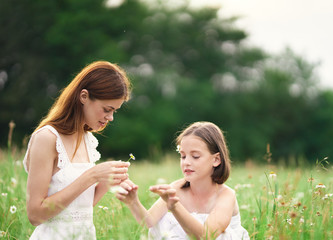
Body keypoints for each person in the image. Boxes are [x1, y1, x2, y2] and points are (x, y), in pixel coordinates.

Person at [23, 61, 132, 240]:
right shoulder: (47, 138)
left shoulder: (88, 140)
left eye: (115, 111)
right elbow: (35, 215)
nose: (110, 117)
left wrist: (106, 182)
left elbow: (80, 209)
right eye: (107, 109)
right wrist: (92, 176)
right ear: (84, 96)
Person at [116, 121, 250, 239]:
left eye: (195, 156)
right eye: (183, 156)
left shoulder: (226, 195)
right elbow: (149, 222)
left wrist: (174, 206)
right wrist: (133, 202)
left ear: (216, 160)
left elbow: (207, 236)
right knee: (162, 223)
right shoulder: (176, 188)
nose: (186, 162)